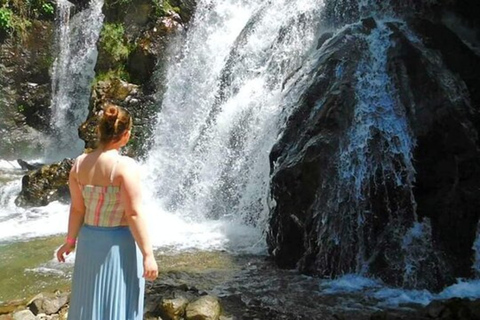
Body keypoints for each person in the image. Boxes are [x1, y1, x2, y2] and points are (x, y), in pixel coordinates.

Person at [56, 103, 158, 320]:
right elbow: (133, 214)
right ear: (126, 134)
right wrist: (148, 254)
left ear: (99, 131)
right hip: (118, 243)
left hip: (89, 241)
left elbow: (77, 209)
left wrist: (70, 241)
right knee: (117, 299)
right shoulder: (124, 167)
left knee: (88, 299)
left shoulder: (79, 164)